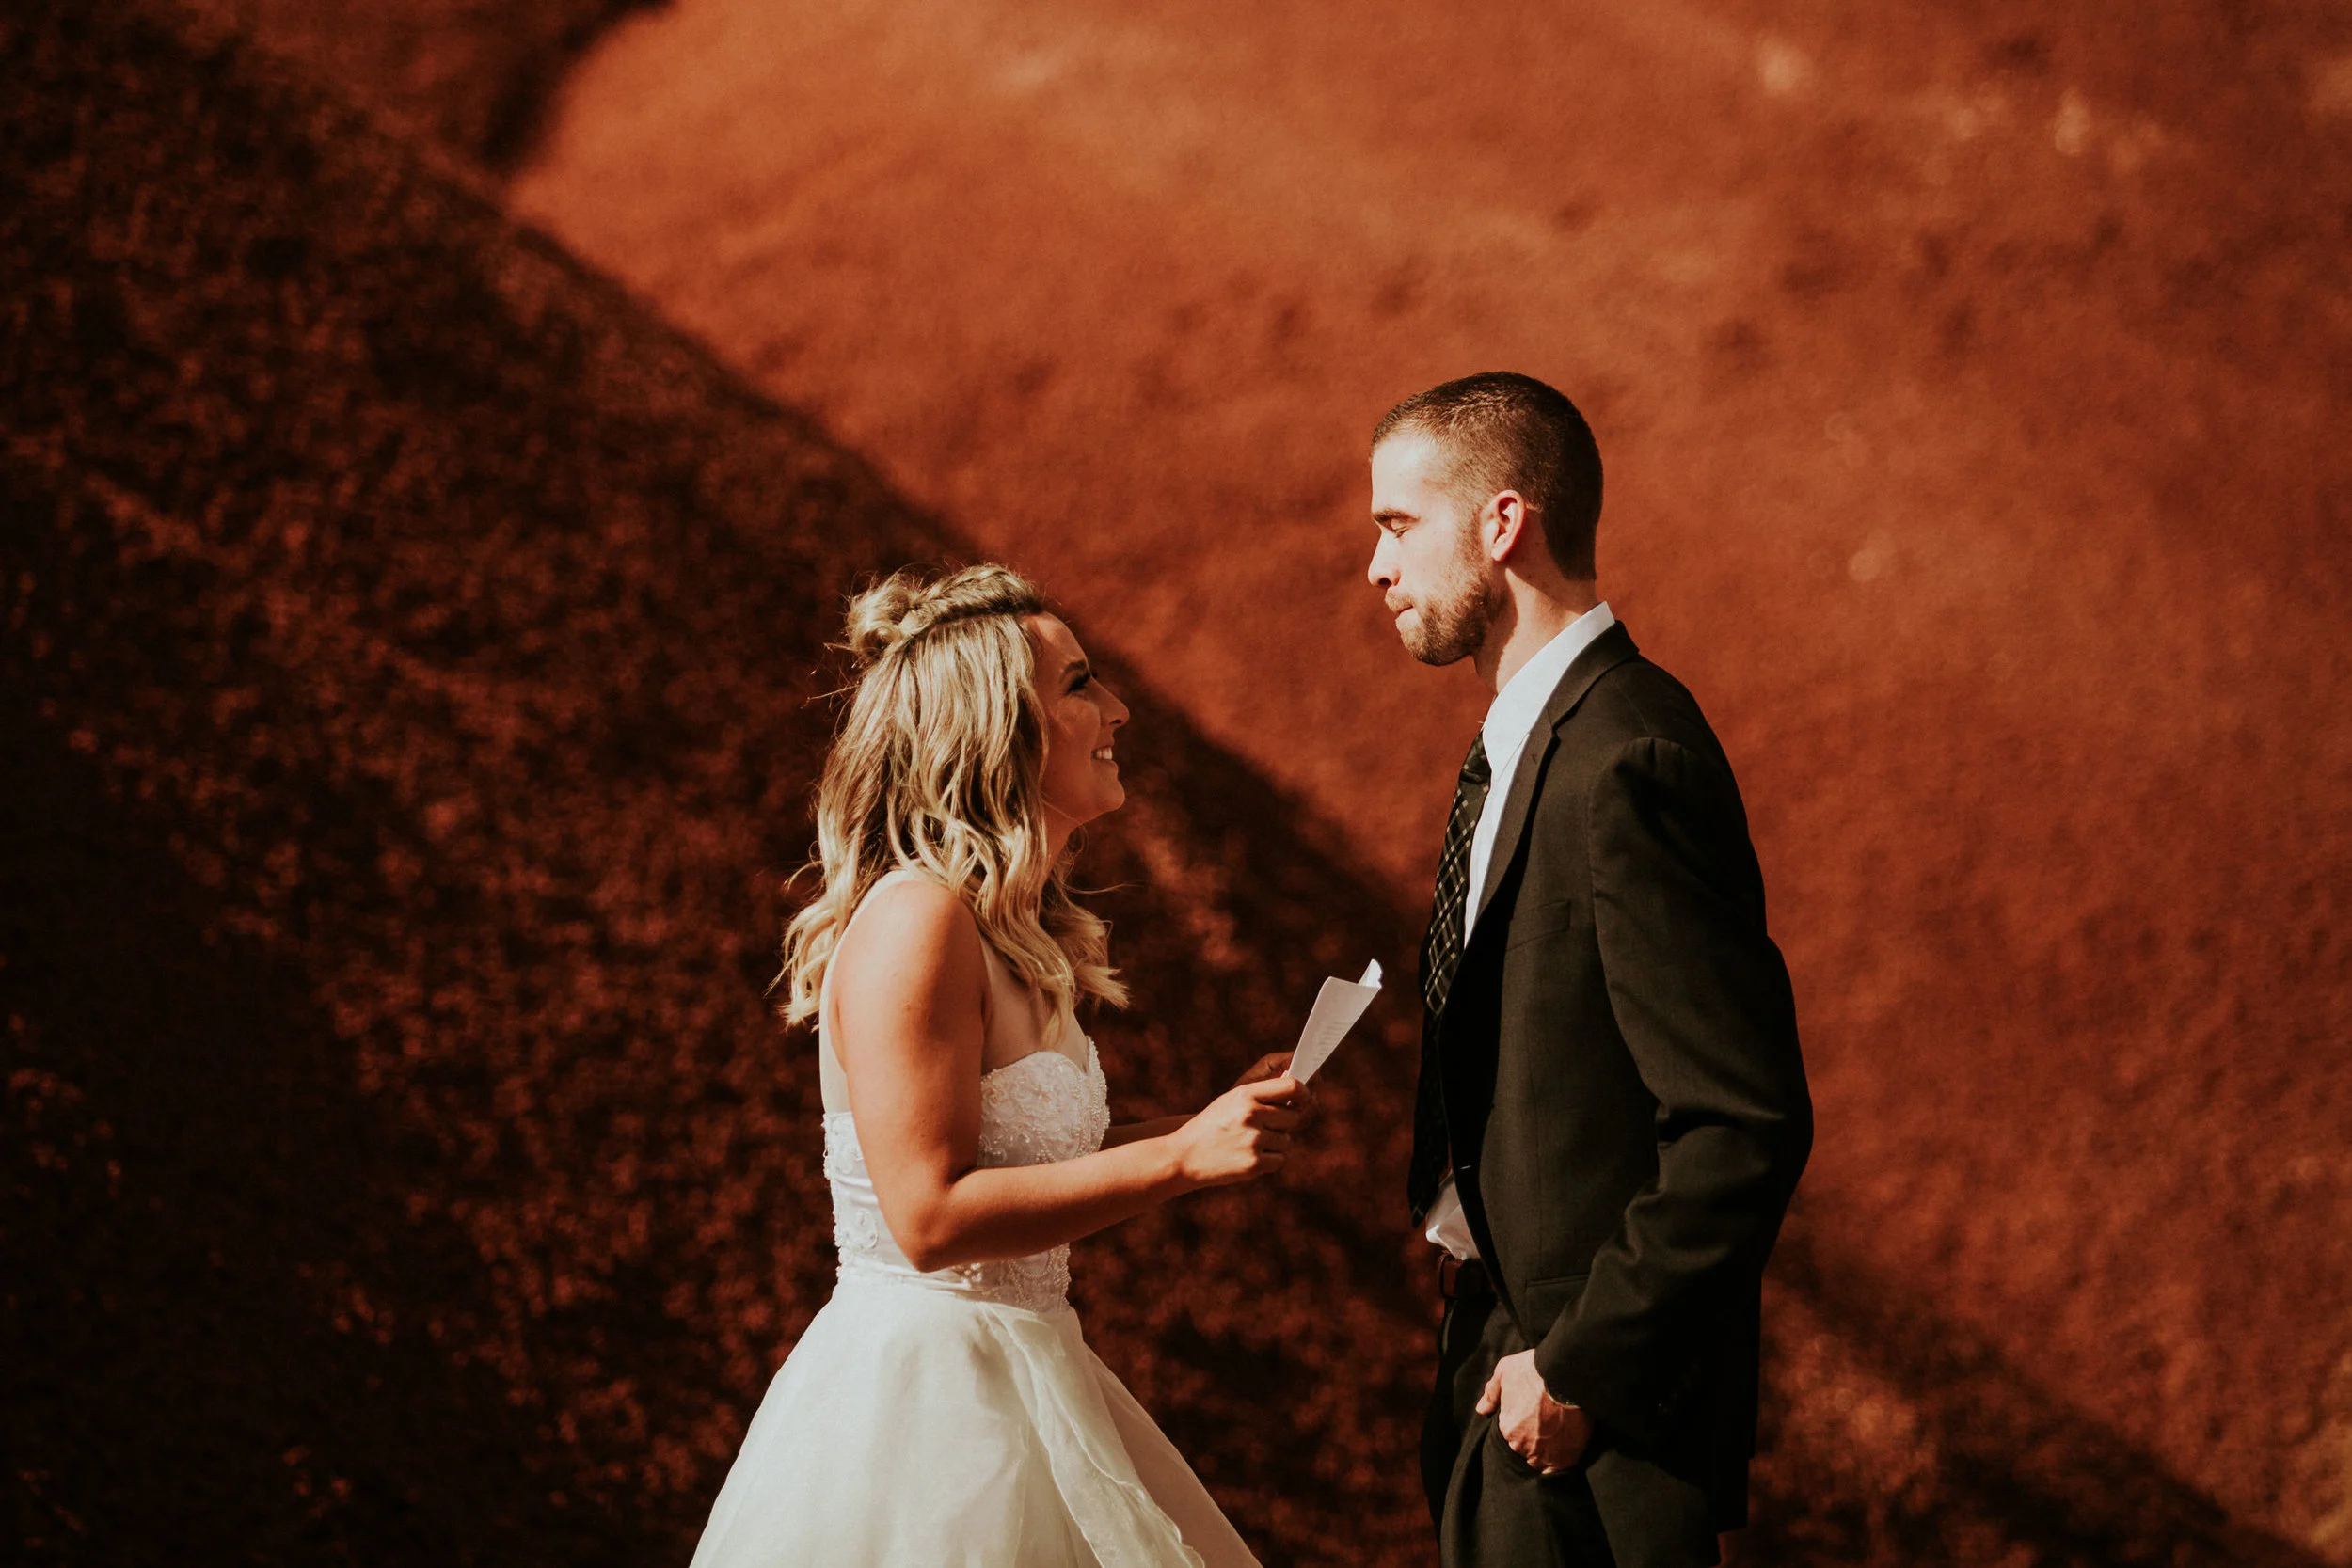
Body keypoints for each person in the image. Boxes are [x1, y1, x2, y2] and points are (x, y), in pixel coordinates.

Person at [690, 563, 1295, 1568]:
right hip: (929, 1410)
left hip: (1038, 1362)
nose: (1119, 706)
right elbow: (927, 1216)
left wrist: (1199, 1120)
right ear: (995, 731)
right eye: (1079, 684)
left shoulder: (1009, 933)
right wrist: (1183, 1161)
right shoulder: (916, 920)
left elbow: (1028, 1158)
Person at [1367, 373, 1813, 1567]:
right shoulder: (1521, 752)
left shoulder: (1628, 754)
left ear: (1502, 523)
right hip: (1504, 1387)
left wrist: (1579, 1360)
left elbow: (1741, 1121)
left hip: (1592, 1434)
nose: (1376, 566)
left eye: (1399, 525)